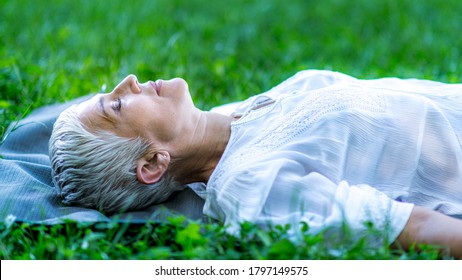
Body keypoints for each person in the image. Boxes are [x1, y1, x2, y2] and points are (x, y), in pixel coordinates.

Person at [49, 69, 462, 258]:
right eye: (118, 105)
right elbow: (415, 228)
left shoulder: (233, 118)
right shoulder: (253, 188)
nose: (129, 81)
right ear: (153, 164)